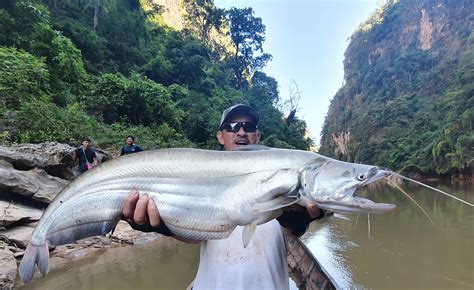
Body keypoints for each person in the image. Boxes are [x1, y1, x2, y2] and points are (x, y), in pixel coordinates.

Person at [122, 104, 324, 289]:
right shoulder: (202, 179)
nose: (242, 131)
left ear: (258, 136)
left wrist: (297, 220)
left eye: (249, 126)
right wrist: (162, 226)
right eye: (233, 126)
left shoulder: (282, 176)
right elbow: (192, 237)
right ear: (220, 136)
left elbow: (293, 229)